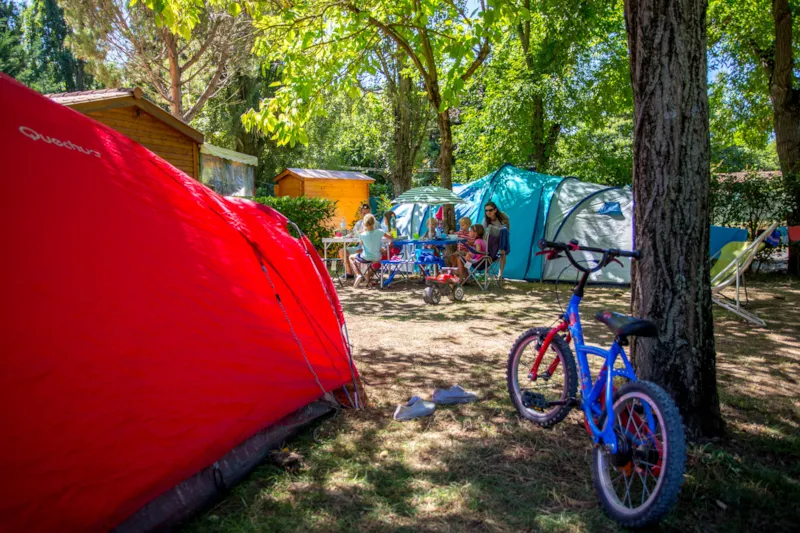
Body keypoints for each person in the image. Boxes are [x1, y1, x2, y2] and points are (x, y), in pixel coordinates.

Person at [349, 214, 392, 288]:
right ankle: (367, 281)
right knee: (372, 261)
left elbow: (362, 244)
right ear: (374, 223)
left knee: (350, 257)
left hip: (366, 257)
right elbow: (390, 237)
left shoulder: (362, 235)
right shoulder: (380, 231)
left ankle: (358, 275)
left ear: (364, 224)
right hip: (377, 257)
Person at [340, 203, 373, 278]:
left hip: (369, 249)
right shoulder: (359, 223)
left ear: (370, 213)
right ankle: (349, 273)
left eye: (367, 213)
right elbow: (353, 234)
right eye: (363, 213)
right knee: (342, 251)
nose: (365, 215)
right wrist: (348, 235)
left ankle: (361, 274)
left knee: (357, 252)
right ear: (361, 214)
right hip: (359, 247)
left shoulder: (375, 223)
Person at [483, 201, 510, 282]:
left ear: (495, 210)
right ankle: (486, 272)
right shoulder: (485, 220)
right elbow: (482, 232)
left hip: (501, 238)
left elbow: (507, 230)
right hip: (490, 240)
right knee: (487, 251)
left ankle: (500, 274)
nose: (488, 212)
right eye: (486, 210)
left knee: (502, 252)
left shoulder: (503, 218)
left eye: (490, 210)